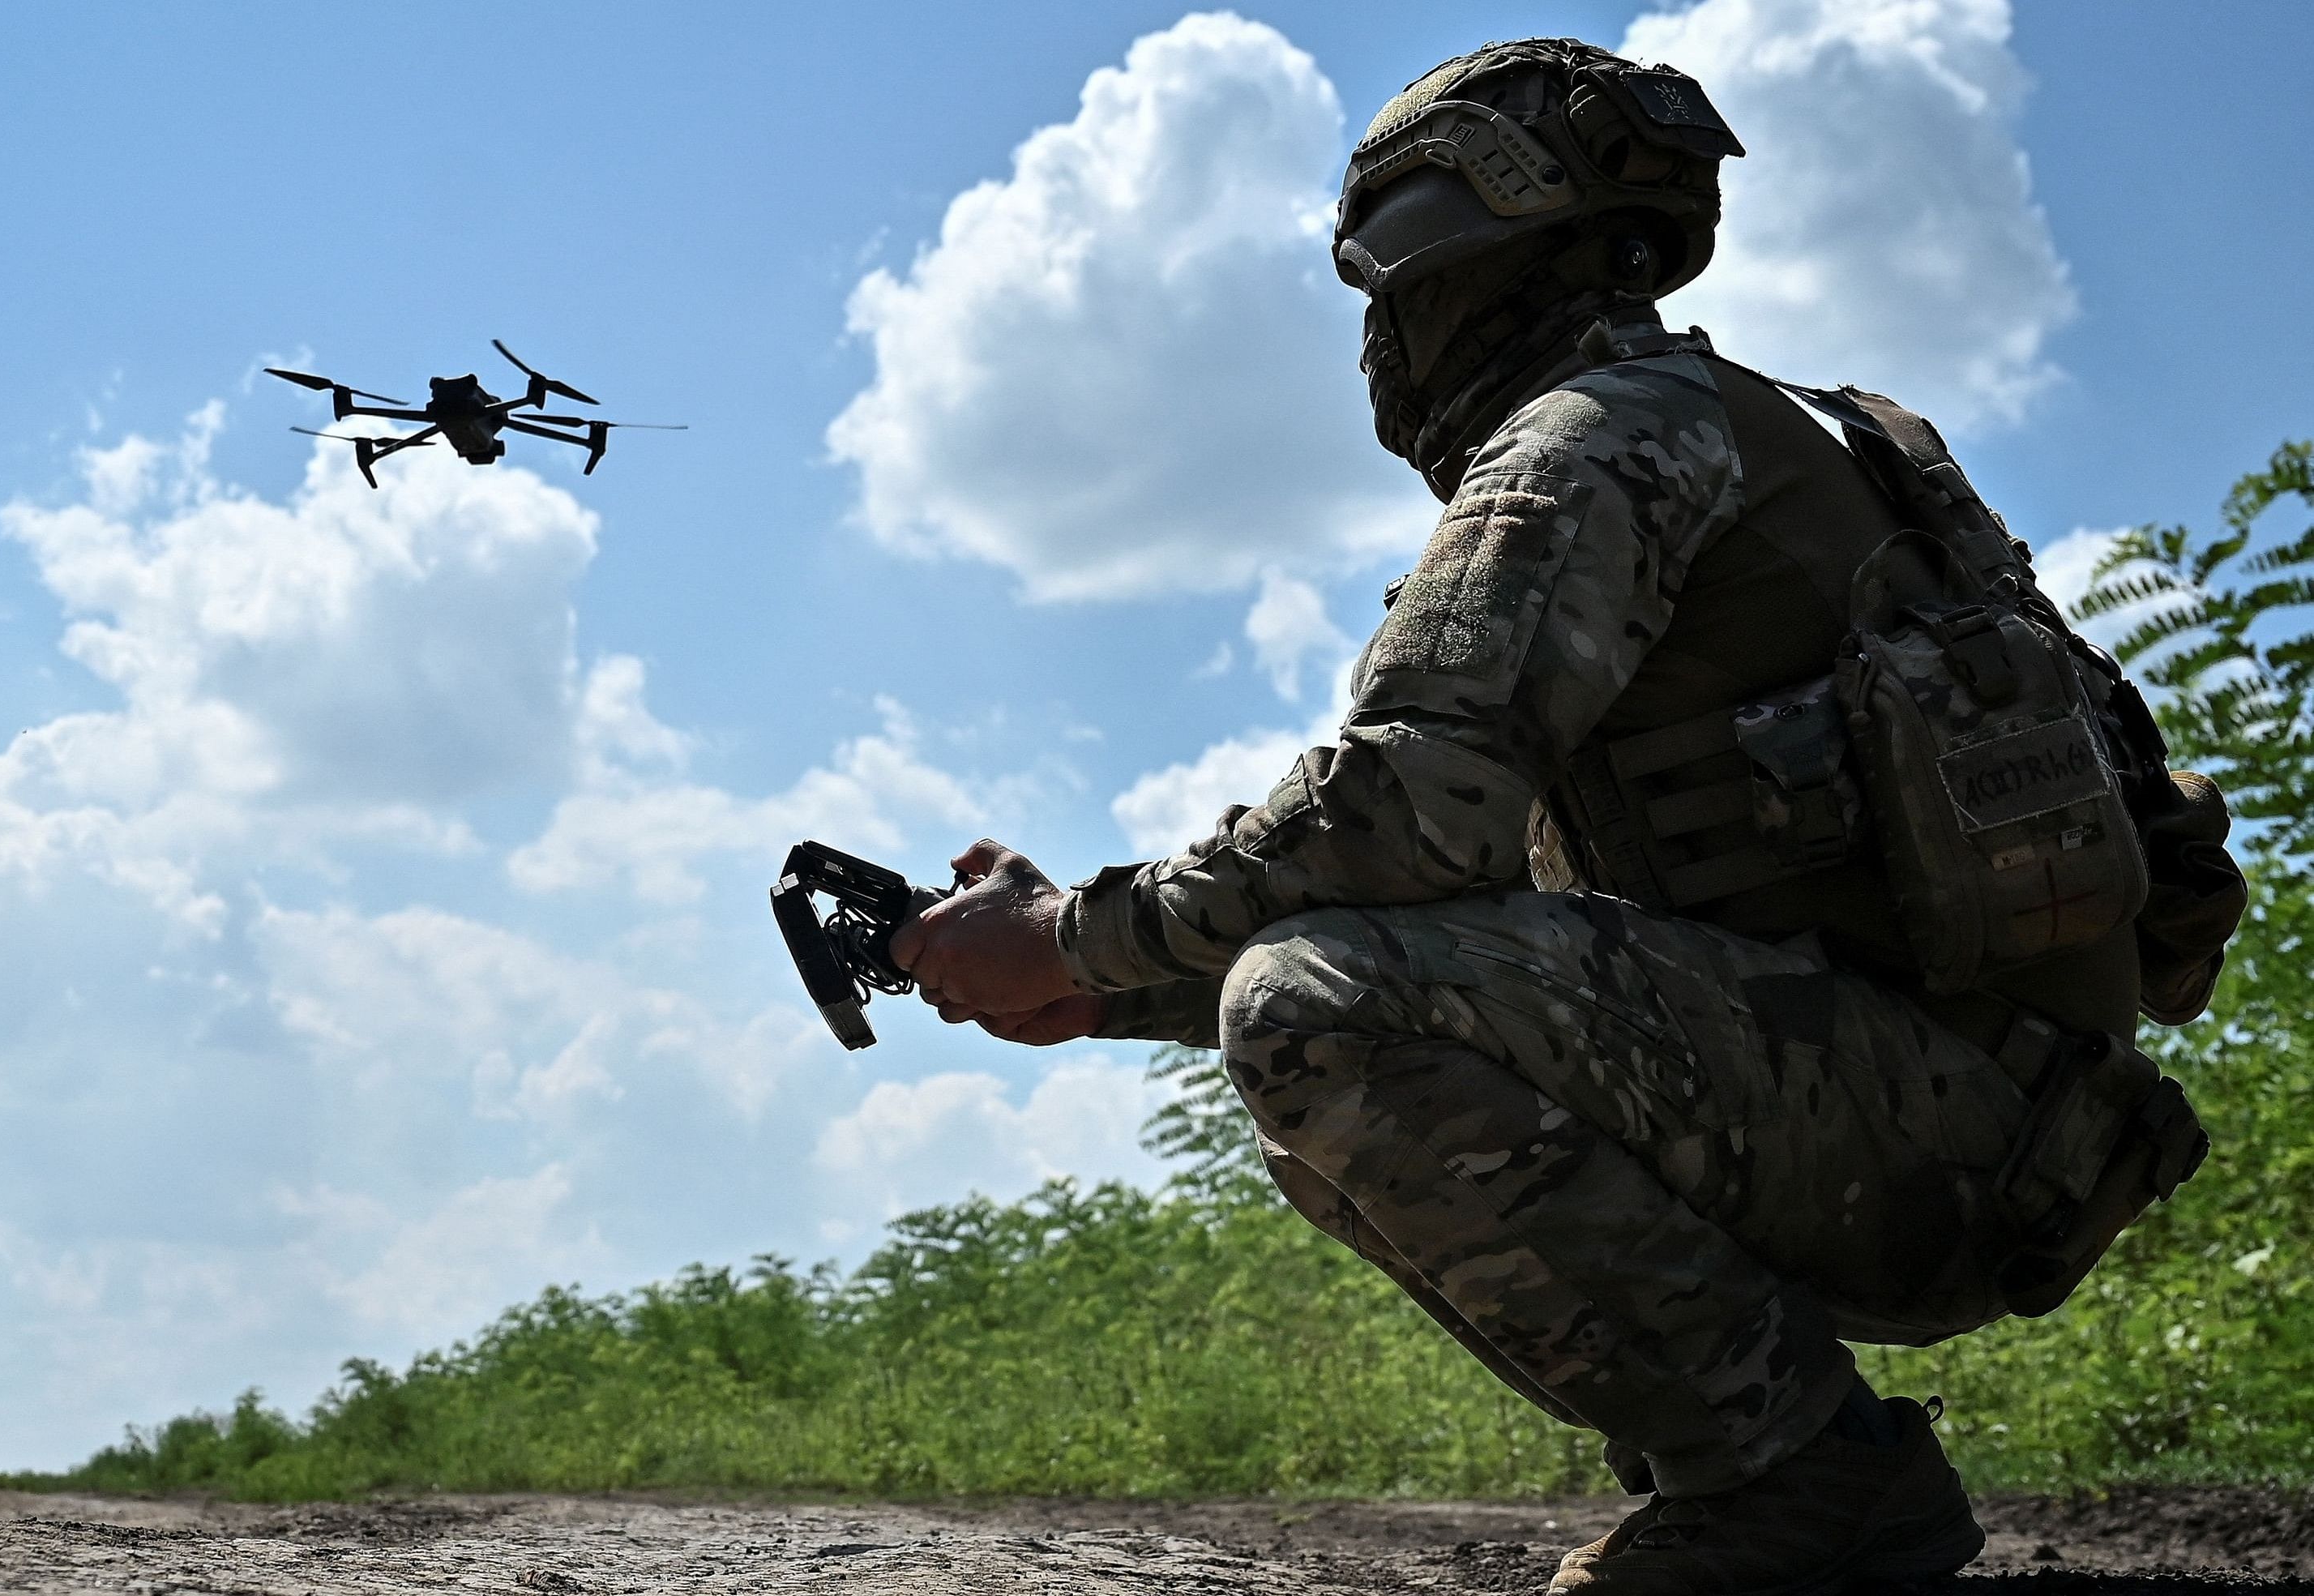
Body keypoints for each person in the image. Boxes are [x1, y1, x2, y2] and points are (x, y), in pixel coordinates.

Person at [890, 36, 2234, 1596]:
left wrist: (1069, 929)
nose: (1382, 326)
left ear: (1480, 250)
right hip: (1991, 1128)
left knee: (1305, 1009)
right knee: (1313, 1003)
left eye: (1389, 271)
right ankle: (1775, 1464)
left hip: (1921, 1125)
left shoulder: (1595, 438)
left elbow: (1399, 822)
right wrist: (1091, 982)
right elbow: (1482, 923)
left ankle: (1793, 1474)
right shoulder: (1762, 432)